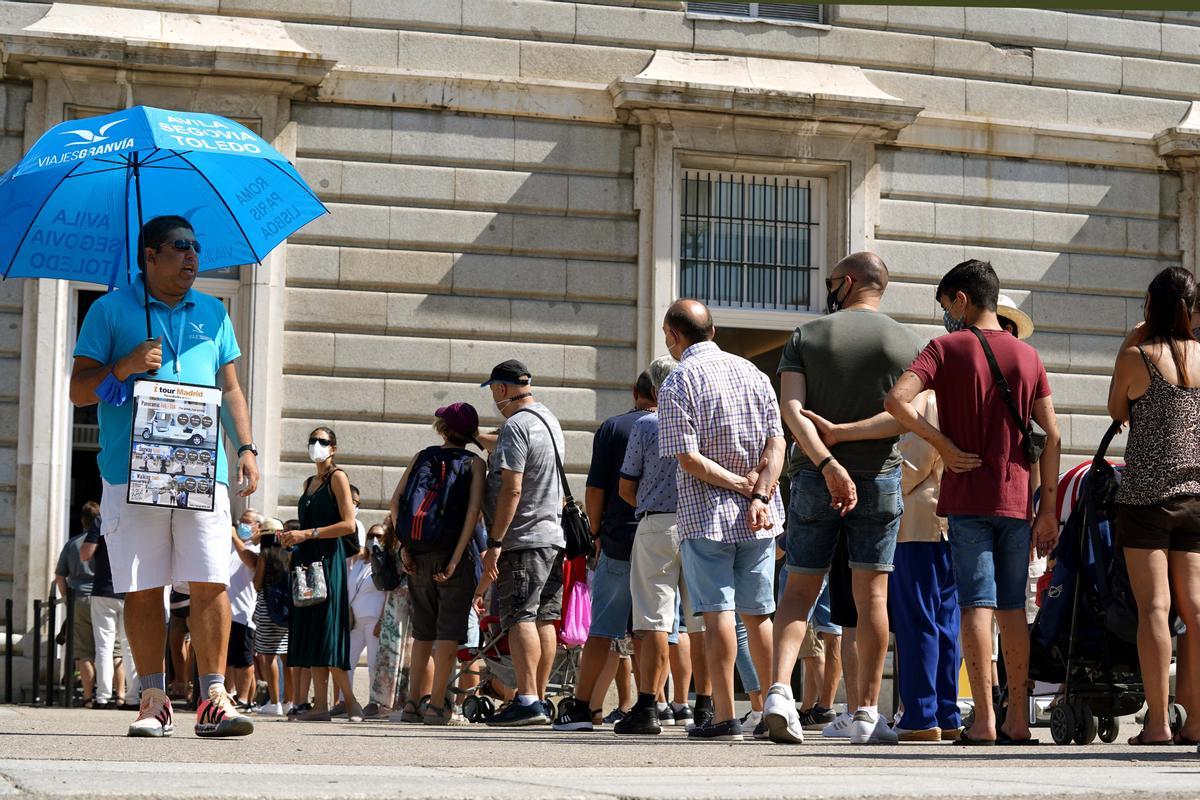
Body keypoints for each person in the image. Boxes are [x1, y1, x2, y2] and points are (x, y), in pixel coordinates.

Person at [69, 214, 259, 738]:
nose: (193, 256)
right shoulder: (109, 310)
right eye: (180, 247)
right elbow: (78, 390)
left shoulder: (216, 313)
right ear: (149, 255)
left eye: (197, 247)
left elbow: (232, 389)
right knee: (142, 584)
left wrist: (245, 446)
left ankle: (214, 696)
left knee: (211, 579)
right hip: (131, 471)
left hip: (201, 467)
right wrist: (124, 365)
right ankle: (152, 698)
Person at [886, 258, 1061, 745]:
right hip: (1016, 500)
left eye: (947, 304)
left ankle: (983, 720)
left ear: (962, 299)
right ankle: (1019, 721)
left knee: (974, 608)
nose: (948, 314)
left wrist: (940, 444)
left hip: (966, 500)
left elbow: (897, 402)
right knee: (1013, 611)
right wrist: (1047, 510)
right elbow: (1054, 434)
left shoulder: (944, 348)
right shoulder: (1028, 357)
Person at [768, 251, 921, 745]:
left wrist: (827, 461)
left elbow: (791, 411)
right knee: (872, 595)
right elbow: (904, 418)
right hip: (879, 476)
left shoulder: (807, 336)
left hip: (814, 478)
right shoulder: (908, 344)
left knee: (798, 591)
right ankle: (864, 714)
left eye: (832, 280)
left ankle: (778, 695)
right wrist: (848, 436)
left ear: (848, 282)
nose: (828, 288)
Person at [656, 299, 786, 741]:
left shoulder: (679, 381)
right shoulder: (754, 372)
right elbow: (777, 443)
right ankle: (773, 706)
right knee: (759, 614)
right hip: (760, 514)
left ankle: (726, 714)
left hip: (707, 513)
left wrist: (737, 485)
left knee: (718, 615)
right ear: (711, 330)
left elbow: (688, 459)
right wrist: (759, 491)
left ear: (674, 336)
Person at [1108, 266, 1200, 746]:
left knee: (1155, 610)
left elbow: (1116, 411)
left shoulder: (1137, 357)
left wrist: (1137, 334)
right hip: (1196, 498)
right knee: (1197, 610)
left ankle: (1159, 724)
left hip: (1145, 498)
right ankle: (1199, 721)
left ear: (1150, 306)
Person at [553, 372, 654, 732]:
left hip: (619, 537)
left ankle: (583, 707)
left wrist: (594, 532)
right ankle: (650, 706)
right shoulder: (677, 425)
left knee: (603, 628)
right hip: (664, 537)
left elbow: (594, 490)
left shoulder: (614, 428)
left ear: (634, 391)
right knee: (652, 628)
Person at [476, 359, 566, 727]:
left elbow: (512, 488)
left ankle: (526, 698)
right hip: (552, 537)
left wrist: (495, 541)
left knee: (520, 617)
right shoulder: (548, 419)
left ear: (500, 390)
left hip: (524, 538)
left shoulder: (515, 426)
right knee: (545, 619)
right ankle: (540, 699)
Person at [390, 403, 485, 726]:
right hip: (451, 556)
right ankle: (438, 706)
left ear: (442, 429)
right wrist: (457, 560)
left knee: (423, 632)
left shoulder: (422, 456)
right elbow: (472, 516)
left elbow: (396, 502)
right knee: (448, 634)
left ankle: (412, 704)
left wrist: (404, 546)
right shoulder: (474, 463)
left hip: (417, 554)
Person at [890, 392, 962, 742]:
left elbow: (912, 464)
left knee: (917, 620)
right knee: (947, 623)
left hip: (919, 520)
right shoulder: (972, 391)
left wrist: (879, 489)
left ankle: (920, 714)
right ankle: (947, 713)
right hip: (956, 521)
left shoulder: (929, 399)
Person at [281, 426, 362, 722]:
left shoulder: (337, 477)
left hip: (329, 561)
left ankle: (352, 702)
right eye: (312, 440)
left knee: (328, 632)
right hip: (307, 563)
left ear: (333, 448)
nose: (316, 445)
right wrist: (292, 537)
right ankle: (320, 706)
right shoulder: (309, 482)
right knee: (313, 631)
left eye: (323, 441)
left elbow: (349, 525)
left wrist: (308, 533)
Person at [81, 513, 136, 710]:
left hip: (104, 589)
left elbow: (85, 554)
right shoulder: (135, 517)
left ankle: (103, 697)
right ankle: (132, 697)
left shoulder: (100, 520)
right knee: (129, 646)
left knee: (103, 646)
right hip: (130, 590)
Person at [54, 502, 98, 707]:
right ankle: (115, 694)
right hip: (103, 597)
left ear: (82, 520)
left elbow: (60, 576)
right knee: (110, 650)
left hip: (78, 598)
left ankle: (88, 697)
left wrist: (66, 600)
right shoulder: (104, 542)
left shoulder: (72, 544)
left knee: (83, 652)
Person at [342, 524, 386, 713]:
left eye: (379, 535)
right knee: (346, 661)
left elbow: (388, 594)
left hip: (374, 618)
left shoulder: (384, 563)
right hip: (356, 620)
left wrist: (382, 621)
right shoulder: (359, 563)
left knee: (373, 663)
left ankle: (374, 702)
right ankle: (346, 700)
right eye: (371, 534)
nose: (374, 538)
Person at [251, 518, 290, 716]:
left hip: (267, 608)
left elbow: (256, 584)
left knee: (269, 656)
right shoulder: (289, 554)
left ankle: (275, 702)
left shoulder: (265, 555)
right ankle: (290, 700)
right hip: (287, 610)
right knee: (286, 655)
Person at [227, 510, 262, 709]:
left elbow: (251, 562)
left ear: (258, 526)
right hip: (227, 612)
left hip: (244, 612)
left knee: (244, 659)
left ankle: (245, 699)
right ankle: (231, 694)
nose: (243, 525)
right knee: (230, 659)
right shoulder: (232, 547)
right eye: (241, 521)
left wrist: (234, 536)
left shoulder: (255, 548)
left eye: (248, 522)